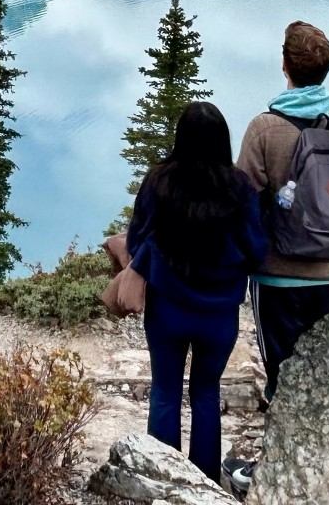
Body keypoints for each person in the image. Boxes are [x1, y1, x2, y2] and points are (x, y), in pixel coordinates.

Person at [125, 101, 267, 485]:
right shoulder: (239, 188)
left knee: (165, 391)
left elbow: (137, 239)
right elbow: (256, 250)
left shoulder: (159, 181)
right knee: (205, 393)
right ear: (223, 141)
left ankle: (162, 480)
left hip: (167, 308)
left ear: (180, 139)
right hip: (218, 315)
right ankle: (203, 484)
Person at [236, 20, 329, 406]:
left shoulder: (264, 128)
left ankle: (275, 463)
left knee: (281, 378)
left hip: (276, 278)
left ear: (285, 65)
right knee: (321, 377)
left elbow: (242, 201)